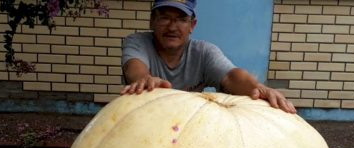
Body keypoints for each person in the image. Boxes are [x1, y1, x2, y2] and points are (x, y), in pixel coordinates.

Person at [120, 0, 296, 114]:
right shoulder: (138, 42)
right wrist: (144, 80)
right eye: (165, 18)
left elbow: (231, 76)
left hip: (189, 124)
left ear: (192, 25)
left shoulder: (203, 52)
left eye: (181, 19)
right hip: (145, 119)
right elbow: (134, 68)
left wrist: (258, 88)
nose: (172, 27)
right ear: (152, 21)